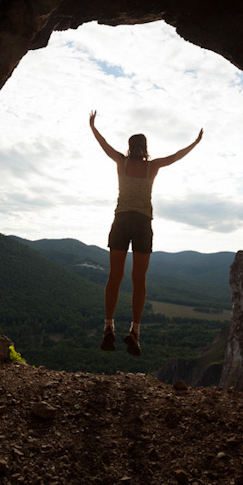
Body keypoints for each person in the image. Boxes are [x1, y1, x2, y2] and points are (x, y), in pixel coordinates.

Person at [89, 110, 203, 356]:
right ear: (145, 147)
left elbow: (104, 145)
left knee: (115, 276)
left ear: (129, 147)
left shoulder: (122, 162)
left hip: (121, 221)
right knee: (139, 279)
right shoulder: (153, 167)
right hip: (142, 224)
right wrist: (195, 143)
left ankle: (108, 327)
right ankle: (135, 332)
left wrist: (93, 126)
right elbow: (175, 157)